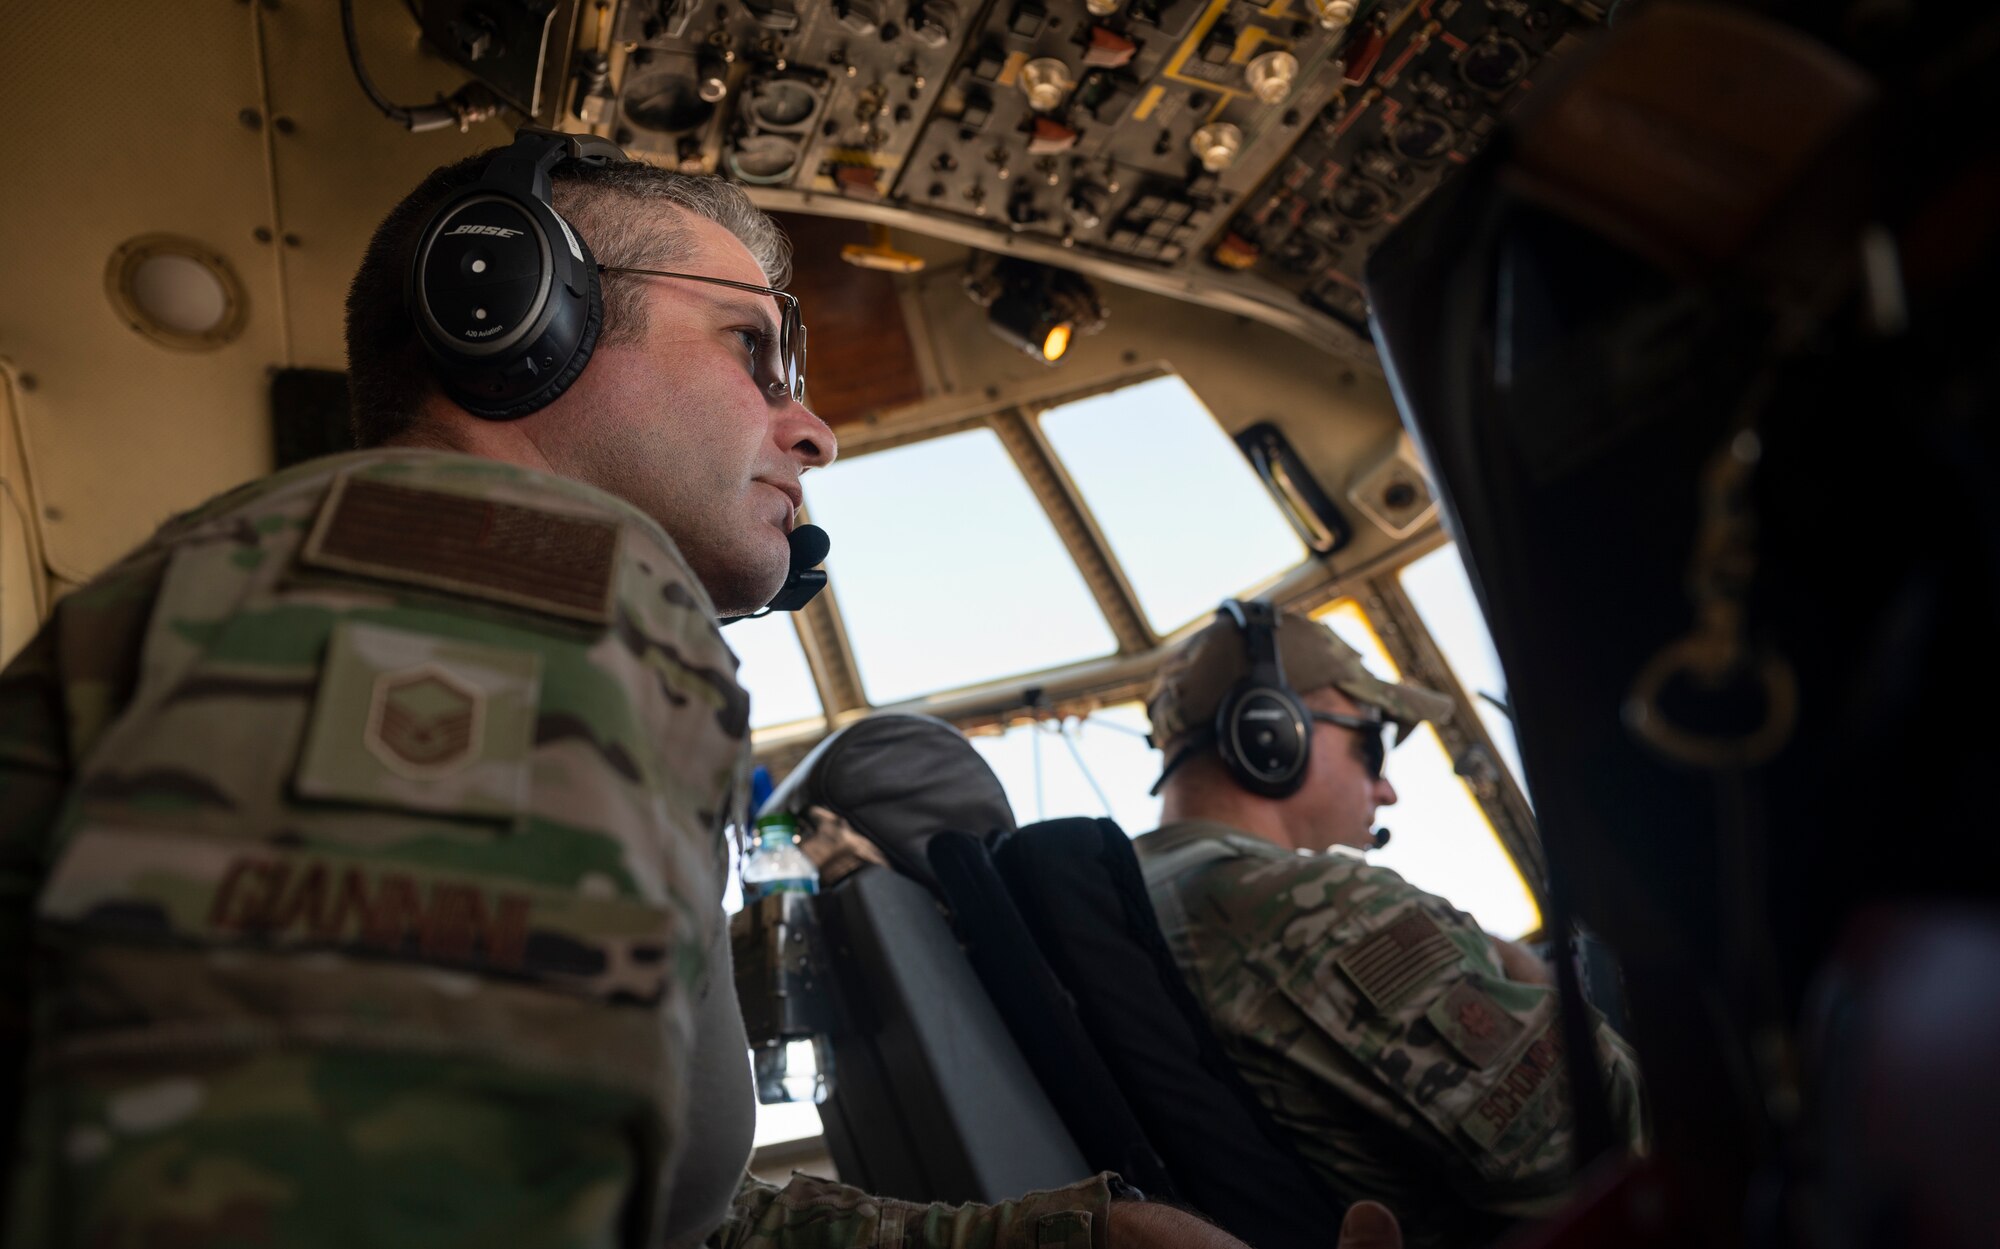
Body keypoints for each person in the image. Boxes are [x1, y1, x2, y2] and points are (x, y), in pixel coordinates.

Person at [0, 130, 1400, 1249]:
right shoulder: (486, 576)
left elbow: (650, 1212)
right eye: (755, 350)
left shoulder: (490, 593)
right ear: (516, 314)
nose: (816, 426)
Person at [1134, 604, 1646, 1249]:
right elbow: (1602, 1143)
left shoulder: (1148, 892)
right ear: (1272, 733)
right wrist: (1532, 974)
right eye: (1372, 743)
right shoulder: (1305, 903)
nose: (1387, 791)